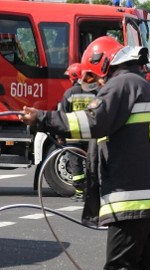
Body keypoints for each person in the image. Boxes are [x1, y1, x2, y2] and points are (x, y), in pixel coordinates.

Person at [19, 36, 150, 270]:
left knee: (120, 268)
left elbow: (93, 122)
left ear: (105, 62)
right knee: (147, 266)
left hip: (129, 199)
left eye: (98, 73)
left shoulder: (120, 85)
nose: (99, 80)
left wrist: (42, 118)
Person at [60, 62, 96, 201]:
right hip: (90, 136)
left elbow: (62, 116)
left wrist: (60, 136)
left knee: (75, 165)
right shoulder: (94, 93)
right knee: (91, 163)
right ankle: (92, 191)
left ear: (74, 77)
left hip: (73, 137)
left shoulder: (69, 94)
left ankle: (80, 192)